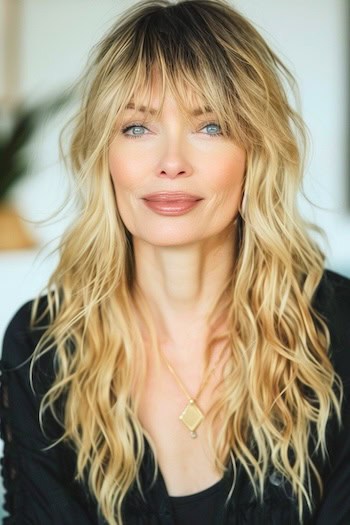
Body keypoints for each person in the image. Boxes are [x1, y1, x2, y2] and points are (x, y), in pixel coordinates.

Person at [0, 0, 349, 523]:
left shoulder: (337, 329)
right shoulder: (41, 348)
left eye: (210, 126)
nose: (171, 164)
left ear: (257, 151)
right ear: (104, 154)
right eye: (137, 127)